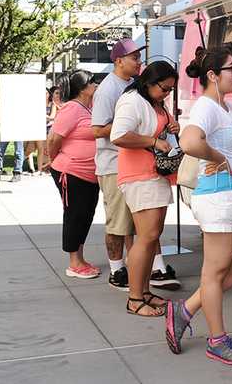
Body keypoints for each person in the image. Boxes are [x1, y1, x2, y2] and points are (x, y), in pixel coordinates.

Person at [168, 46, 232, 366]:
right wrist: (219, 157)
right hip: (218, 197)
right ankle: (217, 340)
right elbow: (189, 142)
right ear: (212, 75)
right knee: (215, 272)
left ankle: (184, 310)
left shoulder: (228, 107)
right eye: (231, 68)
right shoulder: (207, 106)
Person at [110, 60, 181, 317]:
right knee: (147, 237)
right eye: (165, 88)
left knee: (152, 236)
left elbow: (159, 128)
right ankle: (135, 298)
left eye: (171, 89)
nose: (167, 93)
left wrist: (172, 127)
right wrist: (153, 141)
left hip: (153, 174)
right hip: (140, 176)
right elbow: (118, 135)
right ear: (150, 83)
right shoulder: (132, 101)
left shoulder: (153, 102)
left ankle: (144, 292)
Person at [90, 38, 142, 290]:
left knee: (133, 221)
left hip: (133, 162)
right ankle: (116, 270)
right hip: (113, 165)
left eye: (139, 57)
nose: (139, 62)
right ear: (118, 61)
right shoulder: (107, 89)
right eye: (134, 58)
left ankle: (137, 267)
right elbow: (97, 130)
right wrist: (126, 126)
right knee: (118, 223)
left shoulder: (134, 84)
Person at [47, 71, 103, 279]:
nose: (95, 85)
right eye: (91, 82)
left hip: (89, 174)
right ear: (82, 88)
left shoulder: (89, 108)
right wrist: (54, 160)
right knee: (75, 215)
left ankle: (80, 258)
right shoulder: (72, 109)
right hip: (71, 172)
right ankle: (74, 263)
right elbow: (54, 139)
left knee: (85, 215)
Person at [38, 86, 63, 173]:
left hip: (51, 128)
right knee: (41, 148)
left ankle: (48, 167)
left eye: (59, 93)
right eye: (56, 93)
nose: (58, 95)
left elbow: (52, 117)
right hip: (41, 127)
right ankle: (40, 167)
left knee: (48, 149)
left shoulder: (54, 104)